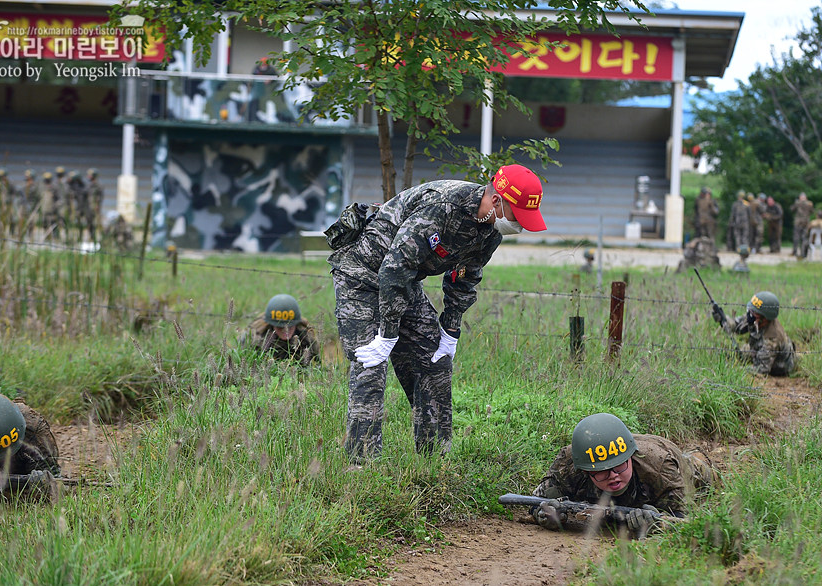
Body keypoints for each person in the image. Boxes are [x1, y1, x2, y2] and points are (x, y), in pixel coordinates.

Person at [327, 164, 547, 462]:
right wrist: (387, 334)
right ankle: (361, 467)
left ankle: (434, 460)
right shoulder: (443, 207)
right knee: (371, 366)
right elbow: (394, 267)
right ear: (497, 201)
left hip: (403, 282)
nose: (519, 226)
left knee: (435, 360)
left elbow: (466, 276)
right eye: (518, 216)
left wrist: (450, 330)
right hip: (361, 276)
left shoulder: (491, 231)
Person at [531, 413, 714, 537]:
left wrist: (658, 523)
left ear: (630, 459)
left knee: (705, 475)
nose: (613, 476)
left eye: (619, 467)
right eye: (601, 471)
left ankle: (697, 454)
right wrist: (544, 513)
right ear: (585, 471)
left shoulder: (660, 468)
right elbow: (535, 500)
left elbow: (685, 519)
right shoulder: (570, 464)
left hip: (681, 464)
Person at [713, 290, 796, 376]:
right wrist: (723, 319)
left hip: (776, 366)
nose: (750, 315)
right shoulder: (756, 317)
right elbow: (737, 326)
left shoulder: (772, 338)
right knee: (732, 355)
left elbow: (761, 370)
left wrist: (734, 369)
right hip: (757, 349)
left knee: (738, 360)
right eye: (751, 311)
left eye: (754, 313)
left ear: (765, 318)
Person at [244, 294, 320, 366]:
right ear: (272, 325)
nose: (285, 330)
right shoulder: (256, 336)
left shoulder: (307, 337)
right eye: (280, 327)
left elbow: (317, 363)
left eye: (289, 326)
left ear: (296, 324)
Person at [790, 193, 814, 258]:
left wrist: (796, 203)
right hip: (806, 222)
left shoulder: (797, 203)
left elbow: (792, 209)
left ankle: (795, 252)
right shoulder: (809, 203)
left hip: (798, 222)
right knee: (804, 238)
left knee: (796, 237)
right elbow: (812, 211)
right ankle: (803, 253)